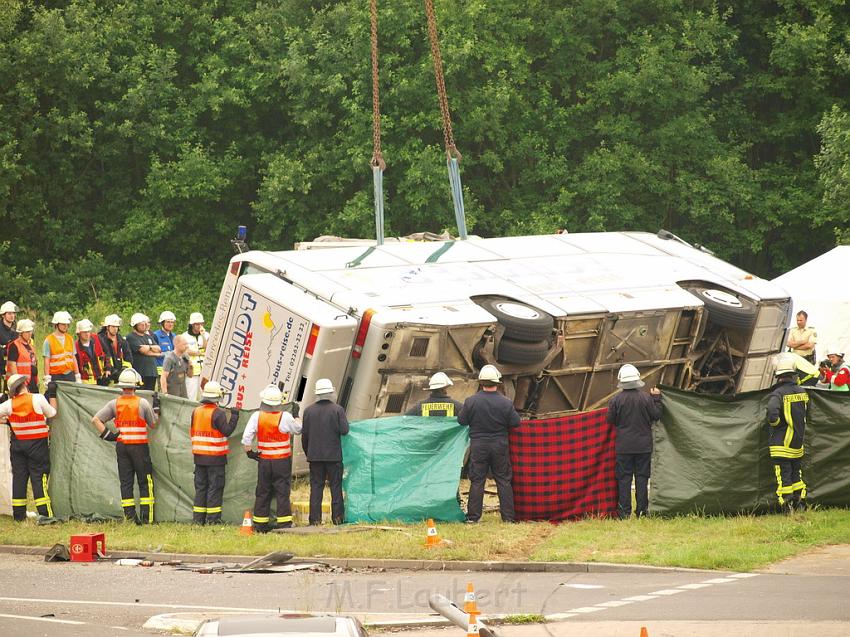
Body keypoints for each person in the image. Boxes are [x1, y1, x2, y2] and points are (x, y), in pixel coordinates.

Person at [91, 368, 158, 524]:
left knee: (126, 482)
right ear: (135, 386)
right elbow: (153, 424)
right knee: (144, 481)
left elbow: (95, 420)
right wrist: (157, 409)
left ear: (121, 386)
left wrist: (109, 435)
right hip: (139, 447)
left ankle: (130, 518)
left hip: (122, 447)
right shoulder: (142, 403)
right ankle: (147, 518)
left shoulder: (114, 403)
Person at [458, 364, 520, 523]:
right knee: (503, 480)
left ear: (481, 382)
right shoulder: (505, 402)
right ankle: (508, 518)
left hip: (479, 446)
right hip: (500, 445)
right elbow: (515, 423)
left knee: (477, 480)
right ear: (497, 382)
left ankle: (473, 517)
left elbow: (461, 421)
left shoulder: (471, 401)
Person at [606, 364, 663, 519]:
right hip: (644, 446)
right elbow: (657, 415)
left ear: (621, 381)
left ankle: (624, 513)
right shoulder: (646, 398)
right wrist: (657, 398)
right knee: (642, 478)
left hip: (623, 447)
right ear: (638, 378)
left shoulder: (615, 400)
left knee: (624, 479)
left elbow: (610, 420)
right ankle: (642, 512)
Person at [242, 385, 302, 532]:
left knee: (263, 491)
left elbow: (246, 438)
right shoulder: (285, 417)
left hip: (264, 461)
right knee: (282, 491)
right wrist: (297, 416)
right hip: (281, 461)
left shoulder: (257, 416)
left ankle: (260, 525)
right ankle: (284, 524)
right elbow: (299, 430)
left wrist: (249, 452)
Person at [0, 374, 57, 521]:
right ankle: (45, 514)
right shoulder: (37, 398)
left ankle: (19, 516)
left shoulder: (8, 405)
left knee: (19, 478)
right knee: (39, 478)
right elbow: (52, 413)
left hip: (18, 446)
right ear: (25, 384)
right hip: (38, 446)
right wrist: (52, 394)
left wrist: (7, 421)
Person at [189, 381, 239, 525]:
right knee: (214, 489)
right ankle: (212, 520)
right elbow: (227, 431)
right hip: (215, 458)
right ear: (218, 397)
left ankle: (198, 520)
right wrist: (235, 416)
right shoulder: (218, 413)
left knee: (201, 488)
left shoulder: (196, 411)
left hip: (199, 457)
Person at [301, 378, 348, 525]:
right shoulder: (337, 410)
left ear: (317, 394)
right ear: (331, 392)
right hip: (333, 457)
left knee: (316, 488)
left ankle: (314, 520)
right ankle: (338, 519)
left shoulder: (308, 411)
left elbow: (305, 436)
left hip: (314, 457)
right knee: (335, 487)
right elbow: (345, 430)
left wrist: (309, 453)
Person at [767, 357, 808, 513]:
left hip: (781, 444)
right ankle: (801, 503)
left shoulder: (778, 393)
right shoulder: (802, 392)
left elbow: (772, 415)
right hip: (798, 443)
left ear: (779, 376)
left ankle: (787, 506)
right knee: (796, 474)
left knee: (784, 476)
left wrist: (777, 426)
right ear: (793, 375)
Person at [42, 311, 81, 408]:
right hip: (56, 376)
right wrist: (47, 377)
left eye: (67, 325)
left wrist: (77, 375)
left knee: (70, 401)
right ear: (57, 324)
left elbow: (73, 357)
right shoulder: (49, 340)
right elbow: (47, 360)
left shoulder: (70, 339)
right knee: (55, 401)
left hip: (69, 374)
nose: (65, 327)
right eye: (63, 324)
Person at [125, 313, 161, 391]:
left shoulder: (149, 336)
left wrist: (149, 347)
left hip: (152, 372)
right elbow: (142, 350)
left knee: (150, 396)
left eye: (145, 323)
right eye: (141, 324)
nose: (144, 325)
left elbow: (158, 349)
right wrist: (151, 350)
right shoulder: (131, 337)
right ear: (135, 325)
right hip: (140, 372)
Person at [97, 314, 133, 385]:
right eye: (113, 326)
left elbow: (128, 358)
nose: (115, 329)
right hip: (106, 375)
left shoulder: (122, 341)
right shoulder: (100, 340)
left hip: (121, 375)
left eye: (117, 327)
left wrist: (124, 370)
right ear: (107, 327)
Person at [5, 319, 39, 393]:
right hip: (22, 384)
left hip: (32, 382)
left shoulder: (30, 345)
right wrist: (19, 385)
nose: (30, 333)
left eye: (31, 331)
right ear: (20, 333)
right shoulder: (14, 346)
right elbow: (12, 366)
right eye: (27, 332)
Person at [75, 319, 110, 386]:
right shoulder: (76, 347)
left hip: (102, 378)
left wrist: (108, 368)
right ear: (79, 333)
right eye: (84, 332)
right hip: (87, 382)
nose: (87, 334)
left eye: (88, 331)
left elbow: (107, 353)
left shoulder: (97, 339)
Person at [183, 312, 208, 400]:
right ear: (192, 324)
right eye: (197, 324)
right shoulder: (185, 336)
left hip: (204, 371)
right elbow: (185, 350)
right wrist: (198, 353)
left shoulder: (206, 334)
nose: (200, 326)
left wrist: (203, 335)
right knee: (191, 395)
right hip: (191, 371)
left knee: (205, 395)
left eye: (201, 324)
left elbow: (207, 347)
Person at [0, 301, 18, 395]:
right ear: (3, 315)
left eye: (14, 313)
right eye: (9, 313)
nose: (12, 316)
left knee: (11, 392)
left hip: (13, 366)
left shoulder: (17, 329)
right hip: (0, 364)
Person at [153, 311, 177, 381]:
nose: (170, 324)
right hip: (161, 370)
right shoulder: (155, 335)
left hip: (173, 370)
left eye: (172, 322)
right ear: (162, 323)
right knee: (163, 391)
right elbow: (155, 353)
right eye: (168, 322)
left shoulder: (174, 336)